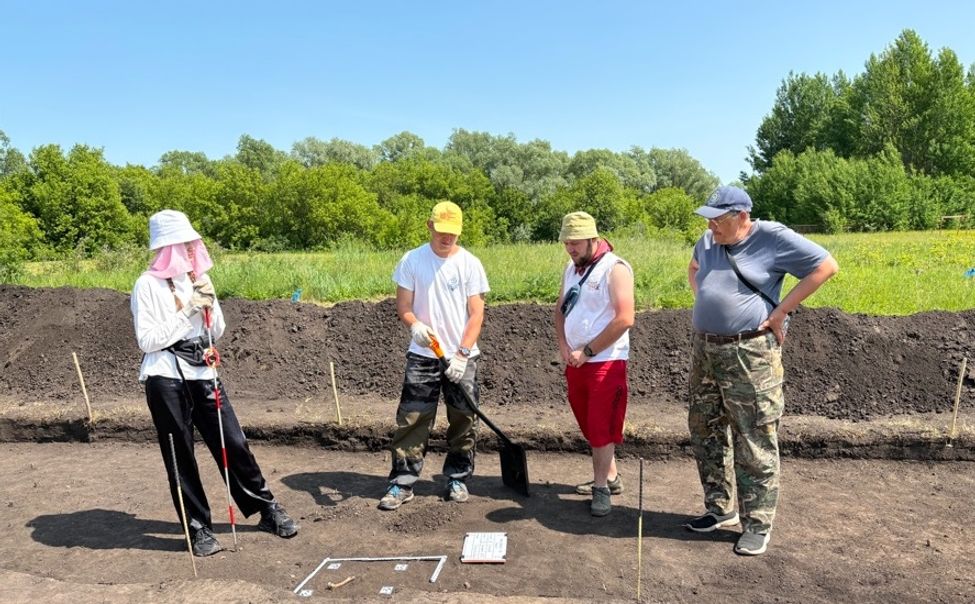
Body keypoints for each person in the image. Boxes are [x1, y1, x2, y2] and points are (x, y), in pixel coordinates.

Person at [131, 209, 298, 557]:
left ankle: (265, 509)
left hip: (202, 371)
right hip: (165, 377)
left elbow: (215, 330)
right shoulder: (146, 284)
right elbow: (147, 340)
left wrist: (208, 304)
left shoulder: (199, 279)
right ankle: (198, 528)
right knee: (181, 456)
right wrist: (189, 309)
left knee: (234, 443)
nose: (192, 250)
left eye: (193, 243)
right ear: (167, 247)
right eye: (184, 244)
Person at [685, 186, 839, 555]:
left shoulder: (771, 237)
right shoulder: (708, 241)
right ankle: (719, 509)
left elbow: (826, 266)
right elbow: (693, 268)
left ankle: (757, 523)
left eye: (717, 219)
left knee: (754, 435)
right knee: (705, 429)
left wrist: (781, 311)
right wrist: (705, 295)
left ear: (741, 216)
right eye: (707, 217)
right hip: (705, 350)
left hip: (750, 352)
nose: (710, 225)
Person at [379, 201, 490, 511]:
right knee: (413, 418)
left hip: (461, 357)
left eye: (452, 233)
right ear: (430, 226)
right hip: (422, 355)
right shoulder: (412, 260)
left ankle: (457, 477)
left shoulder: (470, 264)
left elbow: (477, 314)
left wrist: (462, 354)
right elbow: (404, 307)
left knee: (464, 418)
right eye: (442, 232)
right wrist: (414, 325)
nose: (447, 238)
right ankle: (402, 482)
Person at [554, 211, 635, 517]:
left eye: (575, 243)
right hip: (575, 361)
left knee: (601, 426)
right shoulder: (571, 269)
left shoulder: (615, 269)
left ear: (593, 239)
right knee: (588, 421)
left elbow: (625, 318)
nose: (570, 249)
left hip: (605, 361)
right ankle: (611, 477)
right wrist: (564, 345)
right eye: (566, 243)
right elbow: (560, 310)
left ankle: (601, 488)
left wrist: (587, 351)